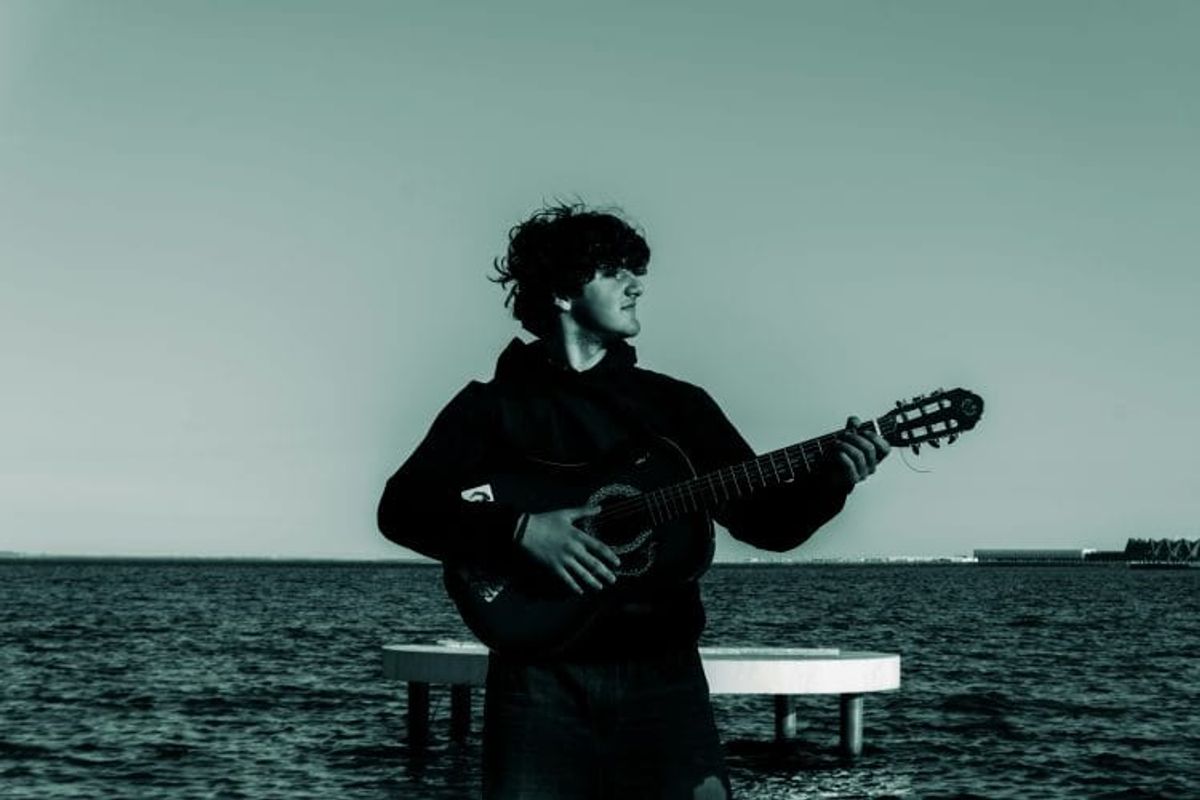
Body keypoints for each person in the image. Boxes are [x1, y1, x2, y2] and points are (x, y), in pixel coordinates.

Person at [377, 202, 889, 799]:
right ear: (564, 293)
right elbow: (401, 509)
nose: (636, 283)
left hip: (662, 678)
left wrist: (835, 479)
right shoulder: (491, 408)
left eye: (634, 269)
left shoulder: (678, 407)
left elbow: (768, 523)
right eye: (614, 270)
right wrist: (520, 530)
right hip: (537, 682)